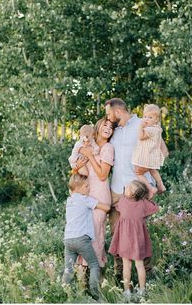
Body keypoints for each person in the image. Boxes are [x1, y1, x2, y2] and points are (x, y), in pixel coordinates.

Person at [105, 98, 168, 276]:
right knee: (117, 233)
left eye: (109, 114)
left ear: (118, 112)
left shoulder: (144, 123)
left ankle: (146, 276)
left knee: (139, 234)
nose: (108, 118)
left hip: (139, 190)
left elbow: (163, 151)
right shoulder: (113, 132)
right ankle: (120, 277)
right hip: (117, 190)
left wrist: (146, 168)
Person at [69, 117, 114, 268]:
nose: (108, 128)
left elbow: (102, 175)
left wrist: (90, 156)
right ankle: (82, 272)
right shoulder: (86, 144)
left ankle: (95, 269)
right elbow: (78, 173)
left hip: (100, 194)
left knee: (95, 233)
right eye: (105, 124)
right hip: (85, 194)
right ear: (98, 127)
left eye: (111, 127)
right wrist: (76, 167)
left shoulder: (108, 148)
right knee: (83, 232)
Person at [108, 180, 159, 299]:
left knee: (127, 266)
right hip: (138, 240)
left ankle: (127, 291)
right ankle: (142, 290)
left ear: (130, 193)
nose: (125, 188)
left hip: (125, 239)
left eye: (127, 188)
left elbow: (118, 207)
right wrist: (146, 196)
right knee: (140, 265)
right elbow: (154, 208)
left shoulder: (123, 201)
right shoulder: (143, 204)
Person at [62, 173, 110, 298]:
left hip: (68, 239)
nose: (89, 188)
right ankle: (94, 293)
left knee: (69, 269)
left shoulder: (70, 200)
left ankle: (66, 294)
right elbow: (106, 207)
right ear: (78, 189)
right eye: (86, 186)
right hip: (82, 239)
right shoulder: (85, 199)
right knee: (94, 265)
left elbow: (71, 190)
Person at [132, 104, 166, 194]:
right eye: (145, 116)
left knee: (138, 173)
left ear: (156, 120)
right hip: (151, 158)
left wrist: (140, 127)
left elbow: (141, 137)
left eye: (150, 117)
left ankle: (150, 188)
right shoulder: (157, 128)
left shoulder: (150, 130)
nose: (146, 119)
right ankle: (160, 184)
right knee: (152, 170)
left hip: (145, 158)